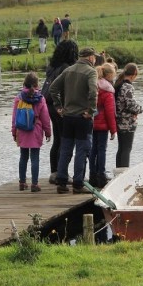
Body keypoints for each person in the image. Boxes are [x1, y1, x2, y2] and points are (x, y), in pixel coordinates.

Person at [48, 46, 98, 194]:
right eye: (94, 57)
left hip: (68, 117)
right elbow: (93, 91)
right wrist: (91, 110)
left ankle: (62, 183)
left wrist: (58, 106)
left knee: (65, 149)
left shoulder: (68, 70)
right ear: (90, 58)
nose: (94, 59)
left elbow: (53, 88)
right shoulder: (91, 71)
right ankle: (78, 184)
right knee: (82, 151)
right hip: (83, 117)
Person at [41, 40, 79, 184]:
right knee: (66, 140)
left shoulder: (52, 66)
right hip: (60, 106)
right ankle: (62, 173)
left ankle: (54, 172)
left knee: (58, 139)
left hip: (49, 105)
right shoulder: (66, 68)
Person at [11, 72, 52, 192]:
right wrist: (48, 132)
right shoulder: (40, 98)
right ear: (36, 84)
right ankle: (34, 184)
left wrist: (14, 131)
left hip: (22, 130)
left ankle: (22, 182)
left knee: (23, 157)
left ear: (24, 83)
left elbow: (14, 117)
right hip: (36, 129)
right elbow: (45, 117)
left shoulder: (18, 98)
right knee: (35, 158)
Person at [89, 63, 117, 188]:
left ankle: (92, 176)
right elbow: (110, 113)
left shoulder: (92, 86)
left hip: (90, 123)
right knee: (101, 150)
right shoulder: (108, 91)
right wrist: (113, 130)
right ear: (109, 75)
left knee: (92, 150)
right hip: (103, 126)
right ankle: (101, 175)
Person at [114, 63, 143, 168]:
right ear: (134, 74)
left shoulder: (119, 84)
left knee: (121, 148)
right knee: (126, 149)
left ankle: (119, 172)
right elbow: (131, 104)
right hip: (127, 122)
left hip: (119, 121)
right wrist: (140, 109)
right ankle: (124, 172)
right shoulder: (128, 86)